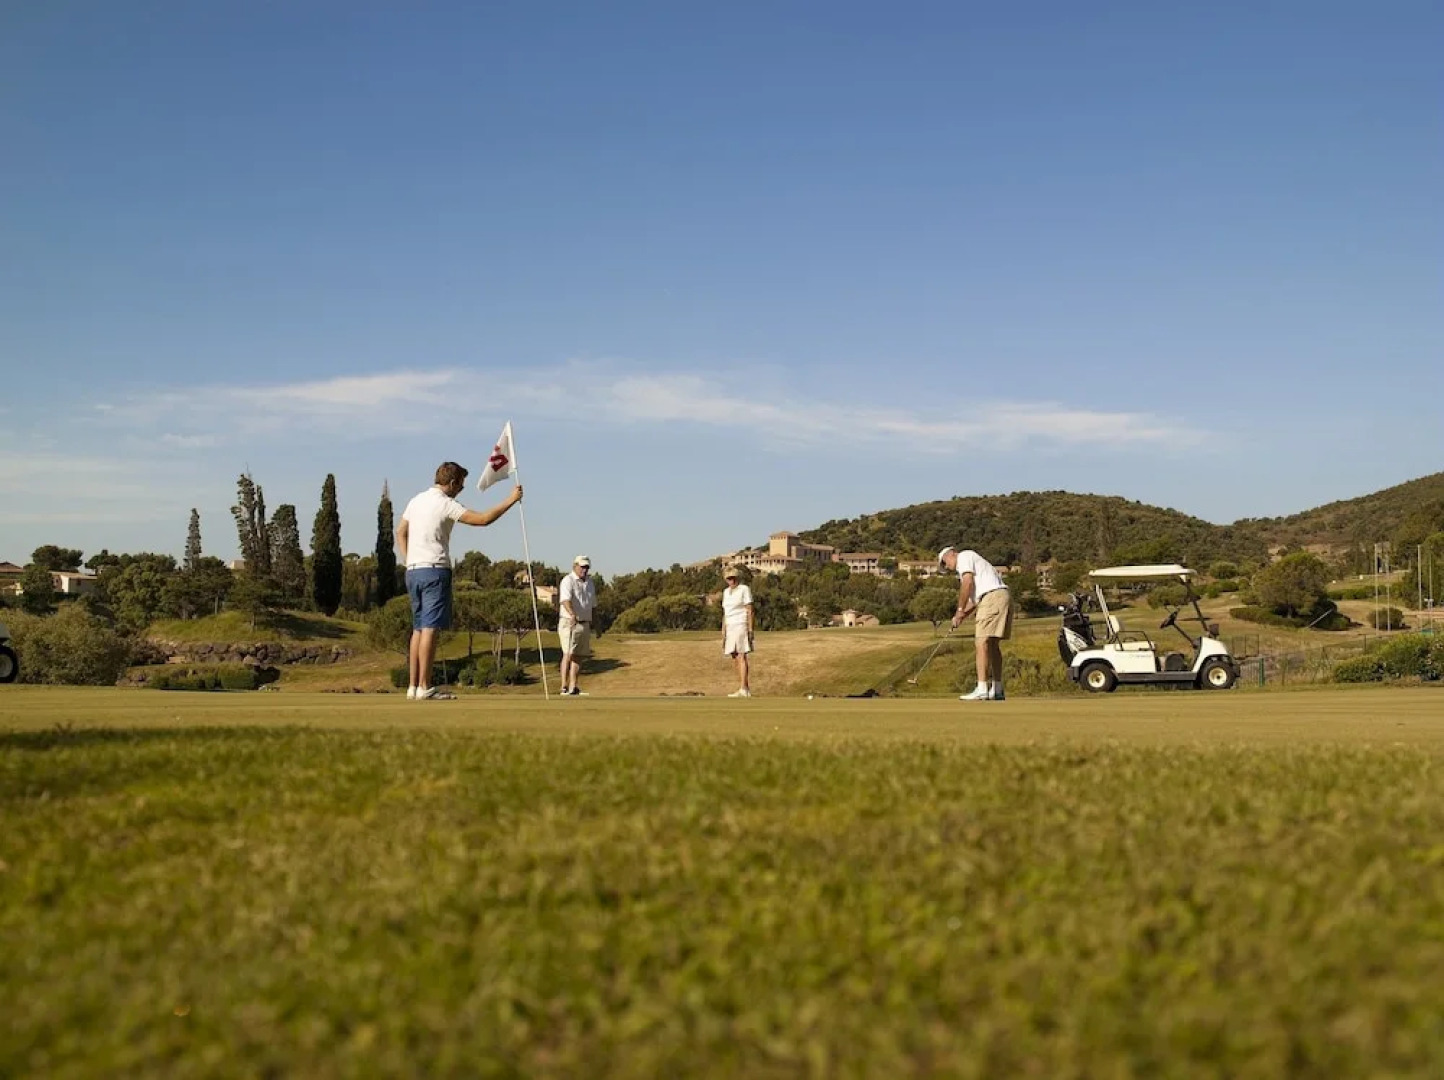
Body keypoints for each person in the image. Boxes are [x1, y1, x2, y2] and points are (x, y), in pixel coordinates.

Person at [397, 461, 522, 700]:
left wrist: (408, 559)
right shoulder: (446, 504)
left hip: (413, 571)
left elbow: (400, 531)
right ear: (452, 483)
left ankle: (413, 687)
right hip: (435, 570)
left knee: (418, 628)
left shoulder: (416, 500)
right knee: (430, 628)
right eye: (461, 485)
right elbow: (483, 519)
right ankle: (424, 686)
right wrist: (511, 499)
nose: (461, 490)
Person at [937, 546, 1013, 701]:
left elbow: (967, 583)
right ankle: (997, 689)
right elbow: (973, 601)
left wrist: (959, 610)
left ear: (950, 555)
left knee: (981, 642)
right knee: (992, 644)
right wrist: (961, 616)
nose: (947, 567)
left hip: (992, 598)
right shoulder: (974, 563)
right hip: (1000, 596)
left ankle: (982, 688)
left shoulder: (964, 557)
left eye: (945, 563)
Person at [558, 555, 596, 696]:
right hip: (569, 622)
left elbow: (593, 605)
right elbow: (565, 601)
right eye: (582, 567)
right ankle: (563, 686)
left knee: (578, 656)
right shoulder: (568, 580)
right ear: (575, 566)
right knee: (568, 653)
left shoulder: (590, 583)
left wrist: (597, 625)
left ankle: (574, 687)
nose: (584, 570)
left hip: (584, 623)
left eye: (587, 567)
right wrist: (572, 614)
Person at [720, 566, 754, 697]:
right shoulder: (725, 592)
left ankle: (744, 688)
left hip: (741, 624)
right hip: (730, 625)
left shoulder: (744, 589)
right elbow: (725, 613)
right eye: (729, 578)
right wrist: (723, 630)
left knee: (741, 655)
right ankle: (743, 687)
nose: (731, 581)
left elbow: (750, 610)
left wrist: (750, 629)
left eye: (733, 578)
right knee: (734, 655)